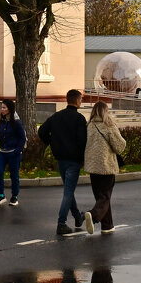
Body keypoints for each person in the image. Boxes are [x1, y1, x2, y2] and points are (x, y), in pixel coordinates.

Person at [38, 89, 87, 234]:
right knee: (68, 191)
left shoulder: (56, 117)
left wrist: (51, 142)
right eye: (81, 99)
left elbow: (42, 131)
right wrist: (83, 158)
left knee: (68, 189)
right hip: (74, 159)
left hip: (60, 158)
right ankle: (61, 223)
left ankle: (78, 217)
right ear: (77, 101)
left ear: (67, 100)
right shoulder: (79, 119)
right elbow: (82, 141)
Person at [83, 100, 127, 234]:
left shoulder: (89, 125)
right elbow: (120, 146)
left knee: (100, 197)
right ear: (105, 111)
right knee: (105, 196)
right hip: (106, 166)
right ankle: (93, 215)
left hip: (92, 167)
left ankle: (107, 226)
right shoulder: (108, 124)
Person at [0, 98, 26, 206]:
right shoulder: (2, 121)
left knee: (14, 176)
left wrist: (17, 151)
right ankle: (1, 196)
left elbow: (22, 138)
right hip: (2, 153)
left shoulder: (16, 123)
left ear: (9, 109)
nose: (1, 109)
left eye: (4, 107)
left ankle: (14, 197)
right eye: (1, 107)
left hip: (13, 153)